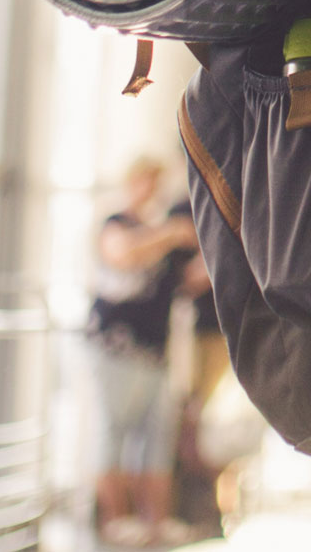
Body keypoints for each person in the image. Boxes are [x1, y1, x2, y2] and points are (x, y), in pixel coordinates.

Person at [87, 156, 197, 548]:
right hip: (116, 350)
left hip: (157, 352)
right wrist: (171, 234)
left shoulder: (164, 233)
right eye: (145, 182)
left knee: (156, 440)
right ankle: (115, 520)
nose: (151, 191)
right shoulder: (116, 224)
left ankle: (156, 522)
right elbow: (123, 255)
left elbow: (187, 282)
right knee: (112, 435)